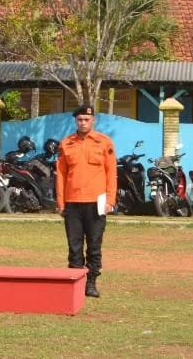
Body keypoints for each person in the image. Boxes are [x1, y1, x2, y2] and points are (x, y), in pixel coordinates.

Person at [57, 104, 117, 298]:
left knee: (94, 245)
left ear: (93, 121)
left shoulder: (104, 142)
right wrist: (61, 203)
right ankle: (75, 283)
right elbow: (61, 175)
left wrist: (110, 200)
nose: (83, 123)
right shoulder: (66, 144)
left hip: (96, 202)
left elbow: (111, 173)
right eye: (80, 120)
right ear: (76, 121)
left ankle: (91, 283)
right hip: (73, 202)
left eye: (86, 120)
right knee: (74, 246)